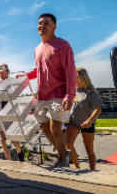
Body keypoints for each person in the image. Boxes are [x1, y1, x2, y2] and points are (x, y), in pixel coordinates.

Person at [19, 13, 77, 167]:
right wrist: (25, 75)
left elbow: (70, 71)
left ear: (54, 26)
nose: (42, 26)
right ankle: (62, 150)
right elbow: (39, 69)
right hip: (43, 96)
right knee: (44, 126)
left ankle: (61, 160)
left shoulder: (62, 45)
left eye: (46, 23)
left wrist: (70, 96)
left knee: (55, 126)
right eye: (40, 23)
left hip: (59, 94)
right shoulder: (37, 49)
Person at [0, 63, 25, 162]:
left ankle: (19, 152)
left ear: (7, 72)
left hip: (10, 113)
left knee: (11, 137)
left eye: (3, 72)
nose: (1, 74)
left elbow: (9, 97)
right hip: (0, 113)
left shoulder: (11, 83)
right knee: (3, 137)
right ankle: (8, 160)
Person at [65, 68, 103, 170]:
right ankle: (77, 168)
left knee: (89, 151)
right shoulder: (72, 91)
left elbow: (97, 109)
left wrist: (89, 120)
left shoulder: (91, 92)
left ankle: (92, 171)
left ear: (82, 78)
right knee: (68, 144)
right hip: (73, 122)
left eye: (75, 77)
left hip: (87, 124)